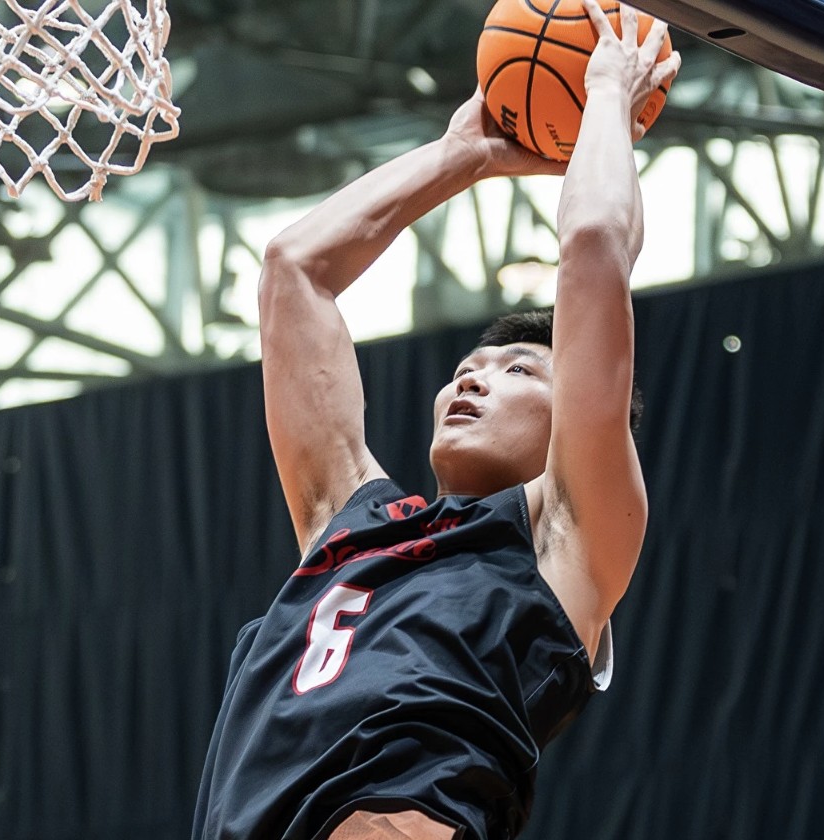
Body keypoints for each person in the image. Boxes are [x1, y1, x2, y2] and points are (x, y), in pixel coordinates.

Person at [193, 2, 680, 838]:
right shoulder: (347, 523)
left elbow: (595, 242)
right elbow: (294, 269)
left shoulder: (567, 539)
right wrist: (461, 155)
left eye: (518, 369)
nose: (472, 382)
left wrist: (605, 93)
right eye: (464, 371)